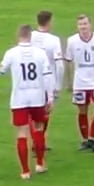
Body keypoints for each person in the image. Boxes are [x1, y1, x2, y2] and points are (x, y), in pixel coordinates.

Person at [0, 24, 54, 180]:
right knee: (38, 128)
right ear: (31, 36)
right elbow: (48, 76)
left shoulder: (11, 53)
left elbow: (1, 71)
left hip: (19, 99)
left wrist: (1, 66)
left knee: (22, 133)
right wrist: (50, 97)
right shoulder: (40, 53)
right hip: (37, 97)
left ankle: (25, 171)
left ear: (18, 36)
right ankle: (40, 163)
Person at [65, 14, 94, 152]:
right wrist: (69, 81)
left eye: (85, 24)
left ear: (90, 25)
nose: (83, 27)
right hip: (80, 81)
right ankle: (85, 140)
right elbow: (68, 61)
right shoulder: (71, 41)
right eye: (80, 24)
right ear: (77, 26)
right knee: (82, 110)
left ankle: (92, 138)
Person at [30, 10, 63, 159]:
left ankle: (37, 141)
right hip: (47, 81)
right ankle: (39, 142)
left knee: (33, 113)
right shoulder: (54, 40)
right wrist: (59, 85)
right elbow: (60, 65)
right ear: (49, 22)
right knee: (45, 112)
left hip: (30, 81)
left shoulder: (30, 37)